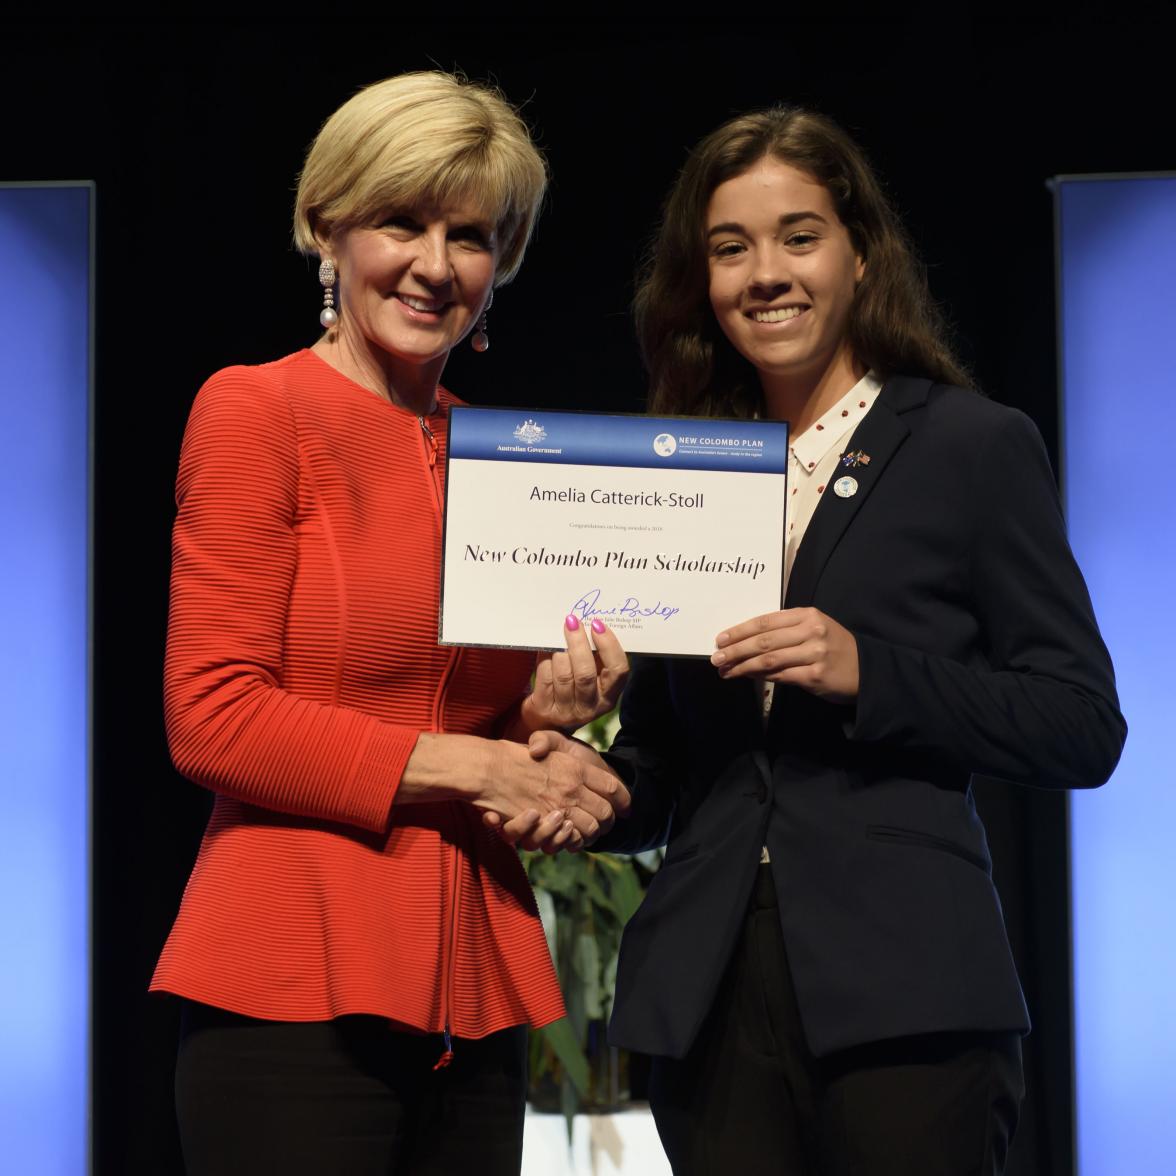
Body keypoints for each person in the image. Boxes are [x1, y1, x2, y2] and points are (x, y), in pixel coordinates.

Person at [527, 106, 1126, 1174]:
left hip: (910, 994)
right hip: (708, 1001)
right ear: (699, 280)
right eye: (730, 248)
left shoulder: (970, 445)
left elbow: (1081, 724)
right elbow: (673, 765)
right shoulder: (685, 469)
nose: (766, 273)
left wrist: (872, 673)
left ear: (860, 253)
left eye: (799, 236)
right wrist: (592, 788)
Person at [150, 71, 630, 1176]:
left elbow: (462, 717)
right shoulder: (254, 412)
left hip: (475, 986)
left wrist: (541, 723)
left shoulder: (506, 454)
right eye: (400, 222)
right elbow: (211, 718)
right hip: (289, 984)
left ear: (501, 264)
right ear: (329, 227)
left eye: (470, 234)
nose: (434, 263)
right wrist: (481, 766)